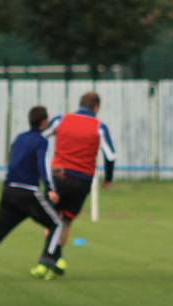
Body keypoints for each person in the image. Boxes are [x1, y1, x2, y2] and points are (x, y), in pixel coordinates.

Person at [0, 106, 63, 281]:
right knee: (57, 224)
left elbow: (18, 162)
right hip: (28, 194)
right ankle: (48, 258)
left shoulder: (19, 139)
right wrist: (50, 189)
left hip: (9, 192)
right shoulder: (41, 141)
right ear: (44, 122)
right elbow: (42, 165)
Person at [34, 91, 116, 278]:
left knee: (51, 218)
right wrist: (109, 178)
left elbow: (39, 138)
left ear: (79, 104)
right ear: (96, 107)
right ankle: (56, 259)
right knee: (66, 220)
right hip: (82, 180)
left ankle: (46, 260)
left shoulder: (61, 120)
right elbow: (111, 155)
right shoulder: (99, 126)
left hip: (59, 176)